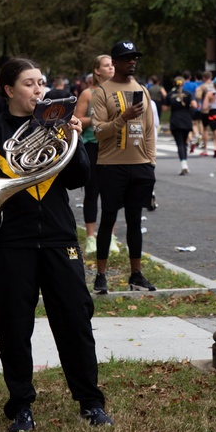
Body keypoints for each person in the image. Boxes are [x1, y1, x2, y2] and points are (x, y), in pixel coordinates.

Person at [0, 57, 114, 432]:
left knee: (76, 319)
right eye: (29, 84)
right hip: (10, 242)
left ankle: (91, 402)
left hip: (59, 236)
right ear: (9, 90)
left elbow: (78, 178)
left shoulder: (55, 126)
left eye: (40, 83)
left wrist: (73, 139)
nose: (38, 90)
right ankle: (20, 406)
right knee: (14, 326)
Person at [92, 40, 158, 294]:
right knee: (108, 218)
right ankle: (100, 275)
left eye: (135, 58)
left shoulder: (142, 89)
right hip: (111, 166)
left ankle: (136, 274)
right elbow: (99, 132)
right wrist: (123, 118)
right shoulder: (102, 92)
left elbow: (149, 129)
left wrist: (151, 161)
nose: (132, 62)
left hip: (140, 166)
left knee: (134, 220)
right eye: (127, 58)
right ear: (115, 62)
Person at [73, 54, 116, 255]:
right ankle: (91, 238)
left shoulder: (119, 92)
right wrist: (95, 119)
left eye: (113, 65)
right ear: (97, 70)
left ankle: (111, 237)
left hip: (113, 148)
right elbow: (77, 120)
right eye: (107, 65)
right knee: (92, 192)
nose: (112, 68)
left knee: (112, 194)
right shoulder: (88, 94)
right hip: (92, 147)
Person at [167, 76, 196, 175]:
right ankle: (184, 163)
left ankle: (183, 164)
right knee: (184, 143)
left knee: (179, 143)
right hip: (186, 120)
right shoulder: (188, 94)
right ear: (183, 84)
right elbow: (195, 105)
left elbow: (165, 108)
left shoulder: (170, 95)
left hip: (175, 120)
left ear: (174, 84)